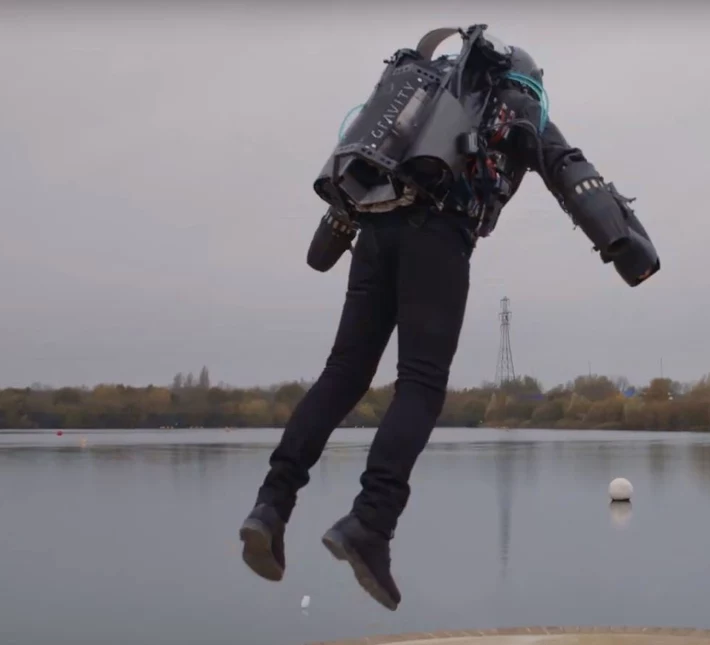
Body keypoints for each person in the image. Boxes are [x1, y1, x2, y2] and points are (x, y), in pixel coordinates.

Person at [238, 25, 660, 611]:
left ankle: (271, 504)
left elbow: (332, 231)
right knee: (421, 384)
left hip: (377, 232)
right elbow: (568, 169)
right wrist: (626, 245)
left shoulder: (414, 103)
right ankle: (370, 523)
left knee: (342, 375)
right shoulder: (515, 104)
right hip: (438, 240)